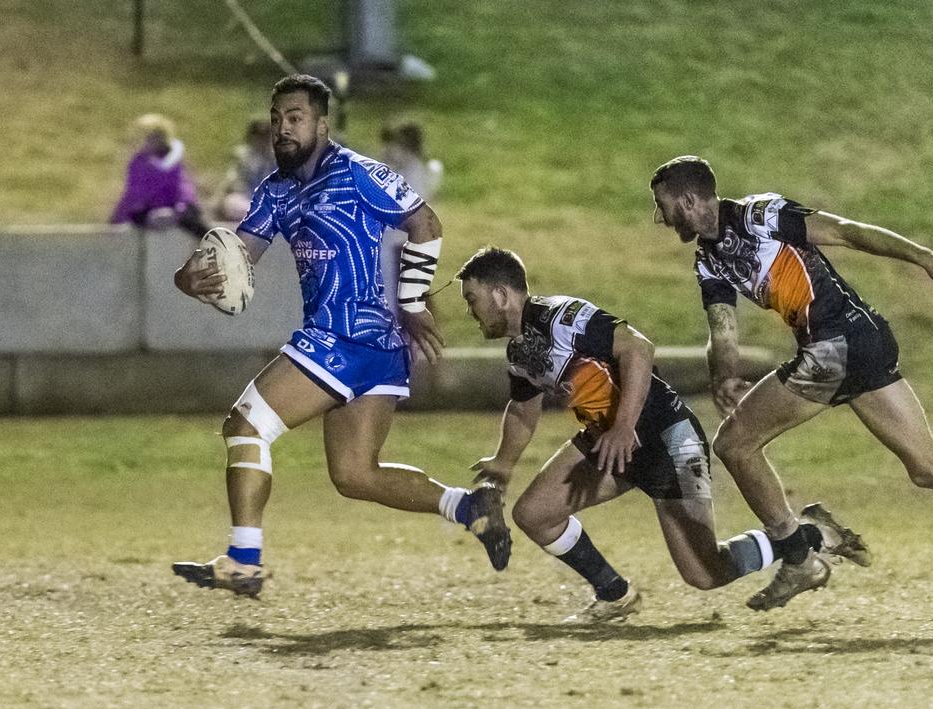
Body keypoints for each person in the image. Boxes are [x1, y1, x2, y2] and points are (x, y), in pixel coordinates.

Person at [648, 155, 933, 614]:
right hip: (855, 343)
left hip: (839, 343)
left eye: (663, 205)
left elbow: (845, 231)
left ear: (690, 198)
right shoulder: (709, 259)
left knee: (736, 443)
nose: (660, 218)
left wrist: (926, 258)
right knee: (927, 466)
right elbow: (723, 331)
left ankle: (799, 555)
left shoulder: (760, 216)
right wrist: (723, 374)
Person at [169, 74, 510, 598]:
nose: (283, 129)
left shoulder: (358, 173)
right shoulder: (277, 190)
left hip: (346, 337)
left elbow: (427, 224)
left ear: (322, 124)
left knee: (246, 425)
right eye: (279, 118)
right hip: (371, 350)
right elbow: (238, 260)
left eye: (296, 118)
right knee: (355, 475)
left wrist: (414, 299)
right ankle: (469, 506)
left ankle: (243, 561)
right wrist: (191, 277)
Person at [456, 247, 869, 622]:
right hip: (609, 443)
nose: (470, 311)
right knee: (533, 514)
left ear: (500, 294)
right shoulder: (519, 352)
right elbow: (524, 410)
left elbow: (638, 348)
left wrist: (623, 426)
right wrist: (503, 464)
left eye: (471, 299)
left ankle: (812, 534)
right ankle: (614, 594)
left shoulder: (561, 317)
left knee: (705, 573)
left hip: (667, 437)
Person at [378, 120, 445, 317]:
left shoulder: (415, 173)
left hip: (404, 242)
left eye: (398, 144)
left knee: (411, 296)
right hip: (402, 242)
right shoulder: (409, 169)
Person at [110, 113, 209, 237]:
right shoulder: (139, 162)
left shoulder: (173, 160)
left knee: (192, 219)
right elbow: (133, 194)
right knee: (136, 215)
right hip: (154, 208)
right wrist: (118, 216)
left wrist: (179, 207)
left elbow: (183, 188)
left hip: (178, 208)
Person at [212, 118, 278, 222]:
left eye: (266, 137)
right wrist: (217, 201)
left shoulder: (277, 159)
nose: (262, 141)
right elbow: (230, 181)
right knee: (232, 203)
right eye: (258, 137)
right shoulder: (243, 156)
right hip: (244, 199)